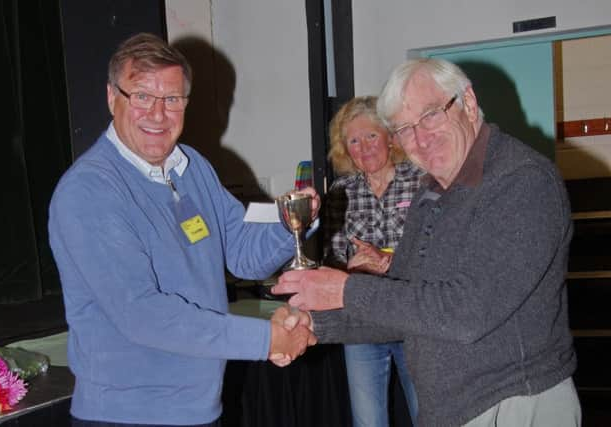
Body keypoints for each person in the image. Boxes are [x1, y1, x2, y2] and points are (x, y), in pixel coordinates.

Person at [272, 58, 580, 426]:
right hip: (451, 411)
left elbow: (468, 311)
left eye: (430, 115)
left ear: (467, 101)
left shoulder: (522, 181)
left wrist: (346, 290)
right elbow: (405, 308)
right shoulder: (431, 191)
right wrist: (313, 324)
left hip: (513, 403)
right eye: (403, 128)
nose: (419, 139)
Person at [48, 33, 317, 427]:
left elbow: (243, 253)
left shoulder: (191, 167)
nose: (157, 115)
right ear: (112, 97)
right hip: (127, 418)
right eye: (141, 96)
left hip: (200, 409)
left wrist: (295, 221)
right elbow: (144, 315)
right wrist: (266, 340)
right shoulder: (88, 192)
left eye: (172, 100)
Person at [323, 96, 421, 426]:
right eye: (353, 140)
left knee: (430, 415)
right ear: (344, 149)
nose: (363, 148)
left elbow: (438, 250)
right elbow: (333, 257)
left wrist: (391, 261)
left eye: (371, 136)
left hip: (414, 319)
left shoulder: (421, 180)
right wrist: (351, 268)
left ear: (390, 137)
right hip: (361, 322)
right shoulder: (341, 190)